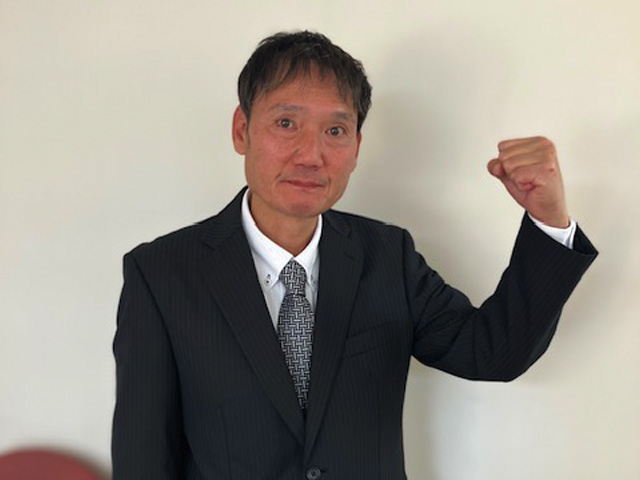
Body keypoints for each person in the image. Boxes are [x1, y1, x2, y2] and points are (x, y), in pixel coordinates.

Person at [111, 31, 597, 479]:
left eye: (335, 131)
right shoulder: (161, 274)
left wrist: (548, 218)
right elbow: (144, 458)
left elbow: (493, 353)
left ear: (357, 146)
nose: (311, 155)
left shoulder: (388, 256)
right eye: (286, 123)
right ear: (242, 130)